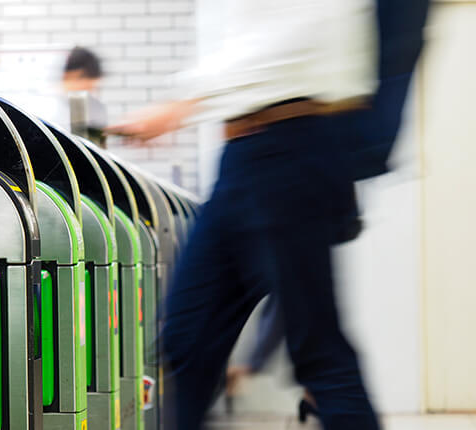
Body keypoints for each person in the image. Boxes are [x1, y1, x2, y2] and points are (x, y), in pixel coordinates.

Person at [107, 1, 429, 429]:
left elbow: (294, 34)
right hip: (242, 154)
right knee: (188, 336)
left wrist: (182, 103)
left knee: (318, 351)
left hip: (290, 142)